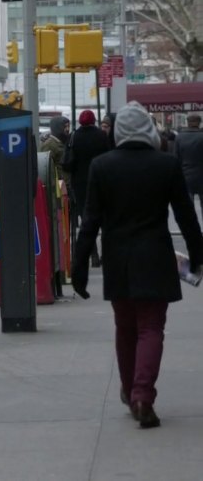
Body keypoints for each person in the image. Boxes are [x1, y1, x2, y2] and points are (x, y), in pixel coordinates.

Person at [72, 101, 203, 429]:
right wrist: (198, 256)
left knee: (125, 327)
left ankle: (131, 388)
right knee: (151, 327)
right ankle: (142, 394)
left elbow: (90, 221)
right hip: (156, 256)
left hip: (118, 258)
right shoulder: (166, 165)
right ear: (148, 129)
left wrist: (80, 267)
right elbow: (186, 215)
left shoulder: (102, 167)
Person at [62, 110, 110, 267]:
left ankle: (94, 254)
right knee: (104, 219)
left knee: (86, 220)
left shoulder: (74, 137)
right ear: (94, 121)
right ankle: (106, 255)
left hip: (81, 184)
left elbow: (68, 163)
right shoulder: (102, 136)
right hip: (101, 181)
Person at [175, 113, 203, 224]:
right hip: (201, 176)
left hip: (186, 175)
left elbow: (176, 158)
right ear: (199, 123)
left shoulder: (179, 137)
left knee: (188, 208)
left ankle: (192, 229)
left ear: (188, 122)